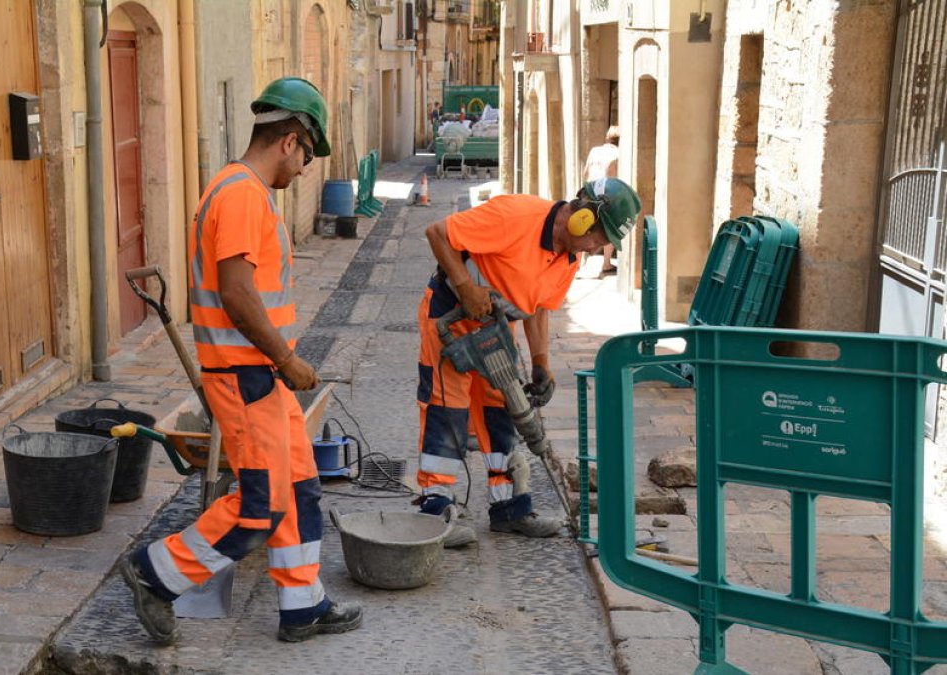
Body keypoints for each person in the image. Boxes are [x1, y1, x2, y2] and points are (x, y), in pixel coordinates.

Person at [119, 77, 362, 645]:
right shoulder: (241, 195)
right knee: (259, 507)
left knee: (298, 487)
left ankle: (303, 605)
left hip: (262, 375)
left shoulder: (243, 191)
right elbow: (236, 291)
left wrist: (281, 364)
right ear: (290, 140)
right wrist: (286, 358)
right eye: (307, 156)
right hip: (246, 375)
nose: (303, 169)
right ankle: (156, 573)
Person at [415, 178, 642, 540]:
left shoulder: (569, 258)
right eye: (600, 238)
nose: (598, 248)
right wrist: (466, 288)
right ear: (583, 217)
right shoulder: (517, 215)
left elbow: (538, 309)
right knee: (447, 409)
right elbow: (437, 233)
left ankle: (509, 508)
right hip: (450, 316)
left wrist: (541, 361)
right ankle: (435, 512)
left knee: (502, 411)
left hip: (495, 330)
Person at [582, 126, 621, 276]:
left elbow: (585, 172)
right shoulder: (618, 153)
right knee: (610, 228)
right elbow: (613, 176)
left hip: (589, 191)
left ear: (607, 138)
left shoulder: (594, 151)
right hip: (605, 194)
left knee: (585, 227)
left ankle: (578, 263)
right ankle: (606, 263)